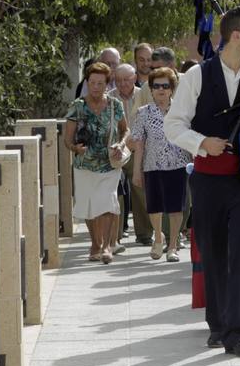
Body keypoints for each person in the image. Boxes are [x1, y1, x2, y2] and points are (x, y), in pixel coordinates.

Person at [164, 7, 240, 358]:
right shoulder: (197, 76)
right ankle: (217, 324)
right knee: (214, 254)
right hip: (207, 181)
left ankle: (238, 331)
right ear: (237, 35)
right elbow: (173, 125)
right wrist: (203, 143)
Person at [62, 62, 129, 263]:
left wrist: (120, 143)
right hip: (84, 164)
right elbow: (67, 139)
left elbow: (125, 130)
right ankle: (95, 244)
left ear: (107, 85)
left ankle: (108, 246)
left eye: (101, 83)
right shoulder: (77, 106)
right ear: (87, 82)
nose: (96, 87)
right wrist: (75, 148)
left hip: (109, 161)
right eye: (92, 82)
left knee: (108, 201)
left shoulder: (114, 105)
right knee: (89, 205)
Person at [129, 67, 192, 261]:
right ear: (151, 89)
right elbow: (139, 144)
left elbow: (190, 137)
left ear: (172, 88)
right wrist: (136, 171)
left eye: (165, 85)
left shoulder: (182, 112)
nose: (161, 90)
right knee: (154, 206)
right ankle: (158, 238)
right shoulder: (143, 112)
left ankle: (172, 246)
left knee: (176, 207)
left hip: (179, 165)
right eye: (156, 86)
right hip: (152, 165)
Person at [113, 63, 153, 248]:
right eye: (119, 80)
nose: (122, 84)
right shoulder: (110, 97)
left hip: (139, 149)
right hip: (118, 151)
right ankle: (116, 234)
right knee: (117, 192)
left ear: (135, 78)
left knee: (140, 191)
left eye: (126, 80)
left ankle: (144, 234)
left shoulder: (144, 94)